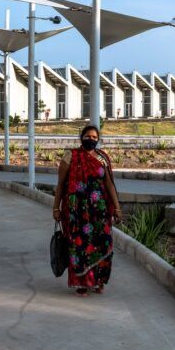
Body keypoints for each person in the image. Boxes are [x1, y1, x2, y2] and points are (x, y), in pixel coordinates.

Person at [53, 125, 122, 296]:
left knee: (103, 243)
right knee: (80, 246)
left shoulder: (102, 158)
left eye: (94, 137)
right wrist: (56, 207)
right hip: (77, 212)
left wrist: (117, 207)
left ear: (98, 139)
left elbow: (109, 185)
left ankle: (99, 281)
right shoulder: (71, 157)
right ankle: (82, 283)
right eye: (87, 136)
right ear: (81, 137)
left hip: (100, 212)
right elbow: (61, 185)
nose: (91, 139)